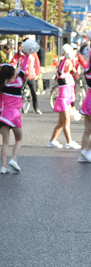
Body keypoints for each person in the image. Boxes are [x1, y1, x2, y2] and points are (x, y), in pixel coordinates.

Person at [0, 46, 33, 174]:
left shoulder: (1, 86)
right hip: (15, 114)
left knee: (5, 142)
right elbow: (23, 68)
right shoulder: (19, 82)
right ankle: (13, 159)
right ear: (14, 74)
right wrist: (27, 55)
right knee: (19, 139)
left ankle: (3, 166)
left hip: (3, 115)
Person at [47, 45, 80, 150]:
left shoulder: (70, 76)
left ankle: (51, 141)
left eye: (70, 64)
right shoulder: (61, 75)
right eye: (66, 64)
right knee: (66, 123)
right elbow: (61, 68)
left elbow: (72, 92)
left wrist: (73, 105)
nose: (68, 66)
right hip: (62, 101)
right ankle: (69, 142)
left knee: (61, 123)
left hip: (68, 102)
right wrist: (65, 57)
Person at [10, 41, 41, 114]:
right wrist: (11, 70)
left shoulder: (33, 54)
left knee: (33, 92)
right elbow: (13, 62)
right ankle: (16, 107)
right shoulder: (18, 54)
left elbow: (37, 63)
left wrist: (37, 74)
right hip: (21, 75)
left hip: (31, 75)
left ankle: (36, 108)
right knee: (18, 91)